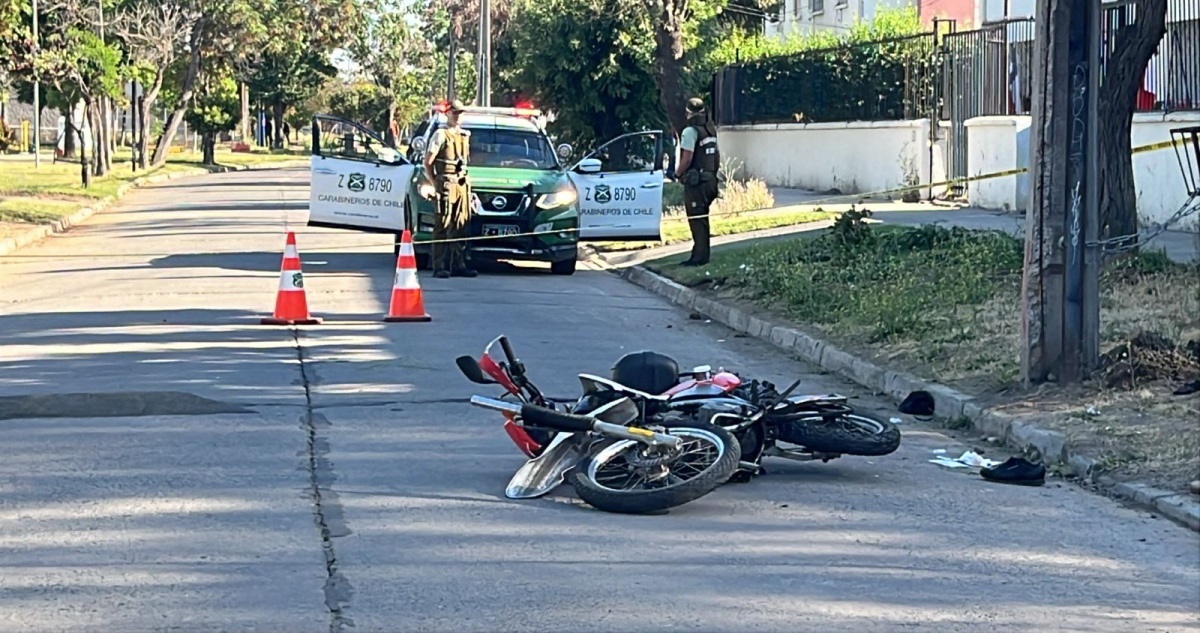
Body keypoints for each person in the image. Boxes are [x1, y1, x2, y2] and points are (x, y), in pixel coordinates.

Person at [422, 99, 478, 279]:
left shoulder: (464, 135)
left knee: (460, 224)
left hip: (461, 184)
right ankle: (439, 266)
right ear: (447, 113)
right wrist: (434, 182)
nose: (458, 116)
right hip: (445, 183)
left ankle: (458, 265)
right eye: (455, 113)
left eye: (461, 113)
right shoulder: (440, 134)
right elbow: (428, 162)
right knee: (443, 224)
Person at [674, 97, 721, 267]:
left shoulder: (690, 131)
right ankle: (700, 254)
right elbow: (716, 156)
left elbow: (687, 158)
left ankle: (699, 258)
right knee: (703, 219)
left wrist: (678, 174)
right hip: (710, 180)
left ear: (687, 112)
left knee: (696, 219)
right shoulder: (710, 129)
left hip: (697, 182)